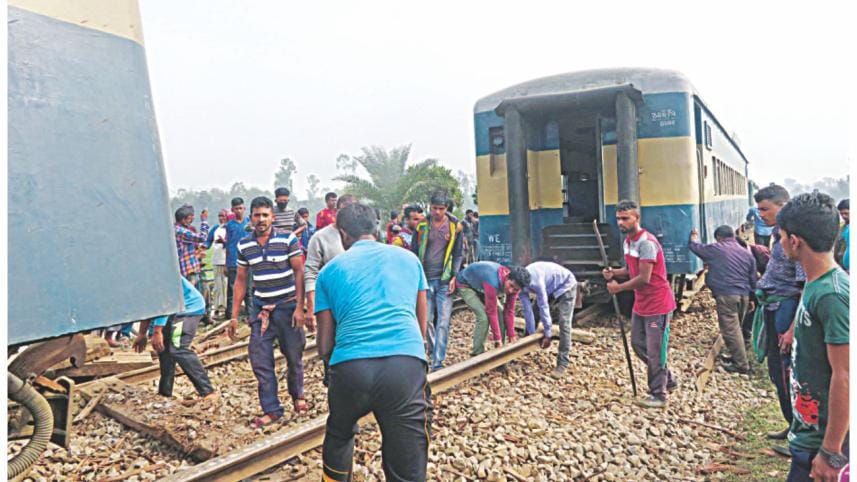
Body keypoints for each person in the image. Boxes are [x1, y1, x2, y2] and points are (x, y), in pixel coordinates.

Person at [316, 203, 432, 481]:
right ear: (377, 227)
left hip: (351, 369)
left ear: (343, 234)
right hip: (403, 368)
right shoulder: (409, 260)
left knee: (339, 434)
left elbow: (324, 345)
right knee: (407, 450)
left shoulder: (328, 272)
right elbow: (421, 327)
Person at [776, 192, 849, 481]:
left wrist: (831, 452)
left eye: (781, 236)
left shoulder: (833, 294)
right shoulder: (815, 282)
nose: (780, 243)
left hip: (826, 444)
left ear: (795, 241)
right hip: (808, 436)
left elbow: (845, 375)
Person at [228, 196, 308, 427]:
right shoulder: (244, 245)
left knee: (294, 356)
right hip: (261, 310)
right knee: (260, 361)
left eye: (265, 215)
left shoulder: (288, 239)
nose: (261, 220)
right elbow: (241, 280)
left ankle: (298, 396)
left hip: (288, 307)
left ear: (272, 217)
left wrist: (300, 308)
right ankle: (272, 409)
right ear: (250, 218)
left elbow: (299, 273)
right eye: (257, 215)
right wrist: (234, 315)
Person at [602, 200, 677, 409]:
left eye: (625, 218)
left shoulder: (646, 243)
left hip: (657, 305)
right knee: (637, 344)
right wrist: (615, 273)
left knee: (655, 349)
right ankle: (667, 378)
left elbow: (644, 278)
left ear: (637, 218)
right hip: (642, 305)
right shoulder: (628, 242)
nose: (620, 222)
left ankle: (659, 394)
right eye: (618, 218)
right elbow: (632, 269)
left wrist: (619, 288)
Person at [750, 184, 805, 443]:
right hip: (773, 306)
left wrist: (794, 328)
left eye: (765, 209)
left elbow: (805, 285)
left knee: (786, 371)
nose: (760, 214)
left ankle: (799, 430)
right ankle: (790, 423)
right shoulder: (776, 233)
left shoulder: (796, 238)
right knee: (775, 369)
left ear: (782, 206)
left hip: (786, 308)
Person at [134, 277, 218, 404]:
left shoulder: (157, 274)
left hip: (188, 310)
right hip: (172, 312)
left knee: (177, 348)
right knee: (164, 350)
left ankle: (208, 391)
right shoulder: (141, 281)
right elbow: (148, 308)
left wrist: (157, 331)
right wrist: (142, 334)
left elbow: (166, 301)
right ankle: (164, 393)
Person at [688, 225, 757, 374]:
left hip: (727, 295)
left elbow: (696, 248)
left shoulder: (716, 249)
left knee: (731, 330)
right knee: (736, 327)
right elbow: (753, 279)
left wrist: (693, 238)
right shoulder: (746, 253)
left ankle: (741, 365)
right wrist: (752, 298)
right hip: (744, 295)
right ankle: (737, 356)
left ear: (719, 237)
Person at [305, 194, 358, 386]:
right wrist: (310, 307)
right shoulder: (320, 238)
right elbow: (310, 272)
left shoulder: (365, 235)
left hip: (357, 301)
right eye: (344, 209)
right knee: (329, 345)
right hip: (331, 302)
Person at [411, 190, 464, 371]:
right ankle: (433, 352)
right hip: (424, 280)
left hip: (444, 280)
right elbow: (413, 252)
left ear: (446, 208)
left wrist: (455, 276)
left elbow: (458, 254)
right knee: (426, 321)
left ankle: (438, 362)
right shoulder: (422, 227)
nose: (437, 212)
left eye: (441, 208)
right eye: (434, 208)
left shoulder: (455, 227)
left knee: (443, 322)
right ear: (430, 207)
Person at [457, 261, 530, 356]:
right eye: (511, 286)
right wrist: (497, 338)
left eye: (516, 289)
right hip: (465, 285)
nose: (511, 290)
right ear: (507, 277)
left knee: (501, 313)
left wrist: (512, 335)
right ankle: (477, 354)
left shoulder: (515, 287)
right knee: (483, 318)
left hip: (481, 285)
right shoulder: (492, 281)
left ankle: (500, 351)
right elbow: (491, 312)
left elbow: (509, 311)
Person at [519, 261, 578, 378]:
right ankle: (525, 345)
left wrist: (548, 334)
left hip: (566, 285)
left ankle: (562, 363)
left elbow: (544, 307)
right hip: (550, 286)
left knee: (564, 323)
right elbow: (527, 310)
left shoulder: (537, 283)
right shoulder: (519, 283)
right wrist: (531, 335)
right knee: (534, 311)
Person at [225, 197, 252, 321]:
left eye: (241, 208)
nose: (239, 210)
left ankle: (250, 314)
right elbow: (228, 245)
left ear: (244, 208)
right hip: (233, 261)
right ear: (232, 210)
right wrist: (226, 263)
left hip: (248, 261)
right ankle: (230, 315)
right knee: (232, 289)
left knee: (249, 289)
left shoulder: (249, 224)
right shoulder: (229, 225)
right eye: (236, 208)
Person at [174, 205, 210, 292]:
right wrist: (204, 221)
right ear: (183, 220)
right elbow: (202, 237)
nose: (191, 221)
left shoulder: (178, 229)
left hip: (191, 266)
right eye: (189, 218)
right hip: (188, 268)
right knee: (191, 293)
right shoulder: (180, 231)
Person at [205, 209, 229, 318]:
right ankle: (217, 306)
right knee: (217, 285)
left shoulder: (230, 228)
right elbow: (208, 242)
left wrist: (224, 242)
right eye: (219, 216)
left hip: (227, 260)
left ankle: (224, 307)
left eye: (223, 216)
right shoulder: (215, 228)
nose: (221, 218)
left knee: (225, 284)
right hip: (216, 259)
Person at [834, 199, 849, 271]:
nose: (844, 216)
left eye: (846, 213)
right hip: (840, 267)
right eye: (841, 214)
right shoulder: (840, 227)